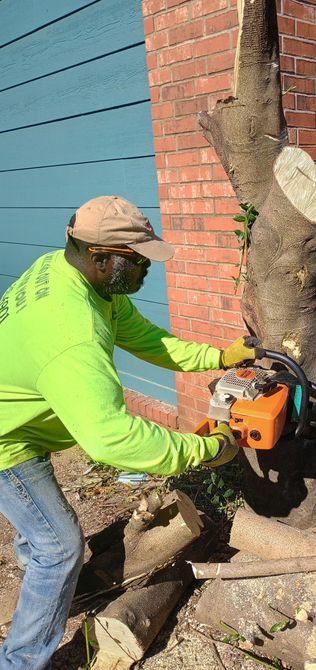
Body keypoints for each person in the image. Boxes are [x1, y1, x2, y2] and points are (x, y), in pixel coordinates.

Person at [0, 195, 258, 670]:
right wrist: (205, 450)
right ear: (100, 257)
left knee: (40, 537)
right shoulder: (70, 329)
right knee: (59, 547)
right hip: (7, 441)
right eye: (138, 260)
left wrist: (220, 357)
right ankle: (18, 662)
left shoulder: (75, 274)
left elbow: (147, 339)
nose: (147, 269)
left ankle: (39, 577)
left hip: (19, 416)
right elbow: (112, 438)